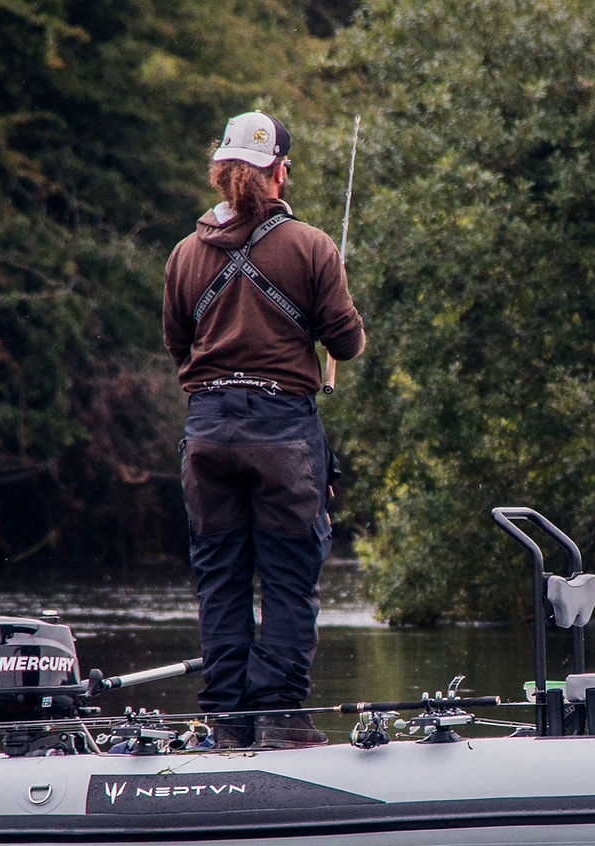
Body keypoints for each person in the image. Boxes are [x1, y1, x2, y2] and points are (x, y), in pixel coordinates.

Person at [162, 111, 364, 749]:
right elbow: (347, 344)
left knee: (221, 579)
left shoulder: (184, 254)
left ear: (222, 173)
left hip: (207, 431)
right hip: (282, 435)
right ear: (279, 172)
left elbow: (178, 345)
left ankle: (226, 721)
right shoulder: (312, 246)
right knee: (286, 578)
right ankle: (280, 720)